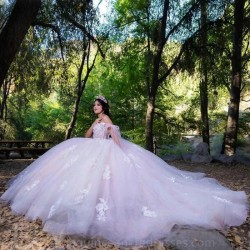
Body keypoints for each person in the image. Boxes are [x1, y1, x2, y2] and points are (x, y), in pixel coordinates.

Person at [0, 96, 248, 246]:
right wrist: (92, 124)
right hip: (91, 150)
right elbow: (86, 137)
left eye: (98, 105)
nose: (95, 107)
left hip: (105, 151)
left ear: (104, 107)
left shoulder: (107, 120)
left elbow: (114, 140)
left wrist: (114, 142)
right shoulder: (97, 120)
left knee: (106, 183)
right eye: (94, 105)